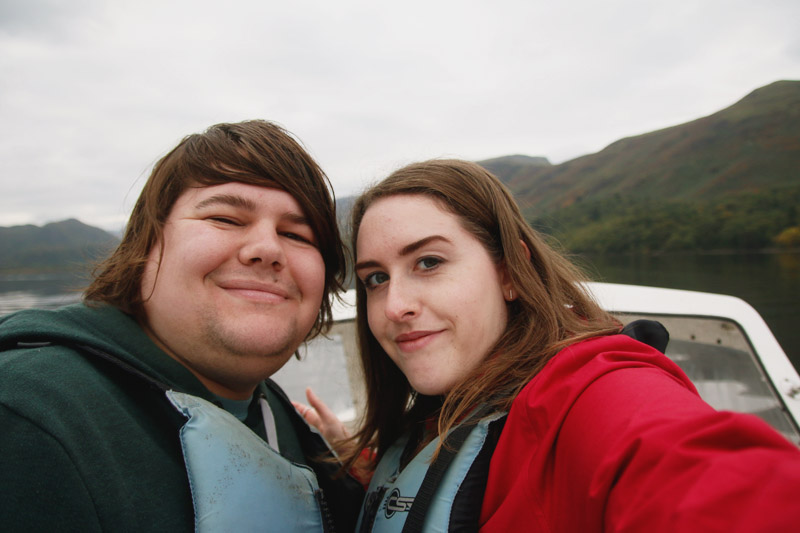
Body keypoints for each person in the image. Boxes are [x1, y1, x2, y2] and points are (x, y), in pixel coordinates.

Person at [298, 159, 800, 532]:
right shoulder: (432, 417)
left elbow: (715, 487)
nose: (393, 306)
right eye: (376, 278)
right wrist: (377, 475)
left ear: (510, 272)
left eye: (428, 262)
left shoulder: (593, 391)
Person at [0, 120, 363, 531]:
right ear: (144, 247)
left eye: (297, 234)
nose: (267, 248)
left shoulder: (275, 414)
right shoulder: (27, 414)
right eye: (226, 219)